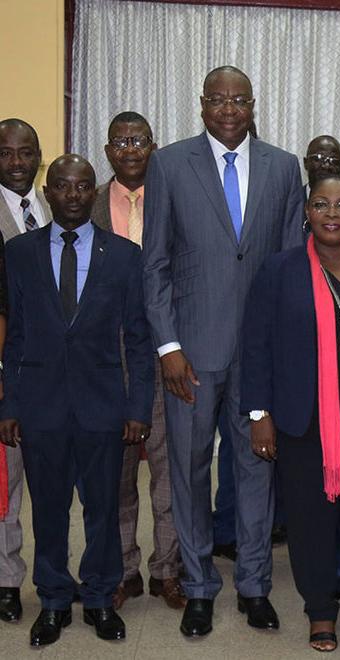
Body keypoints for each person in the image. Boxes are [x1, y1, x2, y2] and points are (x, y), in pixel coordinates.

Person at [142, 65, 305, 638]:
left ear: (253, 105)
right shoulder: (169, 164)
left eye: (239, 100)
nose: (229, 109)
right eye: (218, 99)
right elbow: (155, 264)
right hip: (190, 352)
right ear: (202, 104)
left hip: (258, 352)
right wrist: (168, 345)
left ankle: (255, 585)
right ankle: (198, 586)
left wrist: (281, 352)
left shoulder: (283, 167)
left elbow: (289, 268)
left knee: (257, 468)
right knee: (189, 470)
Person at [0, 154, 154, 646]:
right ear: (48, 193)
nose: (73, 194)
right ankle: (52, 599)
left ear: (94, 192)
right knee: (47, 509)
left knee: (103, 508)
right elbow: (15, 336)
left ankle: (100, 596)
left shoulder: (124, 255)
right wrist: (9, 405)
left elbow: (138, 340)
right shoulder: (19, 252)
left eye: (83, 186)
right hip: (40, 405)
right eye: (63, 186)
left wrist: (137, 408)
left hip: (103, 406)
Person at [241, 176, 340, 653]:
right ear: (307, 212)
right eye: (322, 204)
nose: (333, 214)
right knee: (311, 521)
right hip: (303, 418)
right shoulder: (279, 269)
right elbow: (256, 343)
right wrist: (259, 413)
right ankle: (321, 611)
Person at [91, 111, 186, 611]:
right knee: (116, 473)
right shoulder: (85, 203)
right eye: (121, 142)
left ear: (154, 146)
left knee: (170, 472)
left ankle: (166, 570)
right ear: (108, 150)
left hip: (165, 352)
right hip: (108, 361)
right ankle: (123, 569)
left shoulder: (175, 198)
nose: (130, 150)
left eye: (139, 140)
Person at [0, 117, 51, 624]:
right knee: (8, 484)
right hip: (9, 369)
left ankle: (54, 575)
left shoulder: (60, 201)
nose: (17, 162)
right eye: (6, 153)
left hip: (61, 374)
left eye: (26, 152)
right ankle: (7, 580)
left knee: (55, 484)